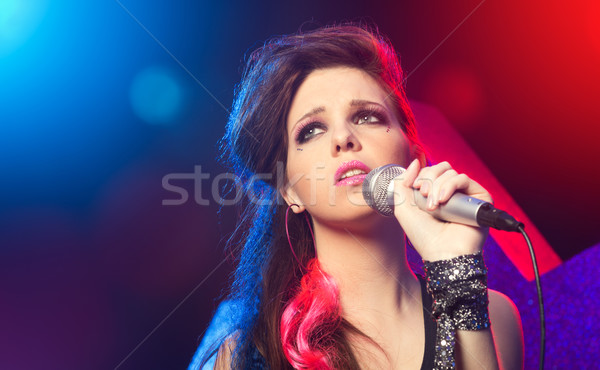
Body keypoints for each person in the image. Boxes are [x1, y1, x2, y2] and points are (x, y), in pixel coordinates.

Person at [193, 23, 524, 369]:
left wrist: (455, 269)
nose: (343, 136)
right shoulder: (247, 353)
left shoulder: (495, 315)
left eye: (367, 116)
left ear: (414, 159)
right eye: (311, 130)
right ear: (289, 190)